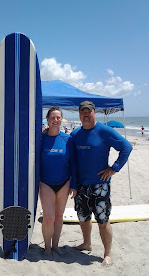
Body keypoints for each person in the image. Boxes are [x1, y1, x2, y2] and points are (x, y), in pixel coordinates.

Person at [70, 101, 132, 266]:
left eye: (88, 111)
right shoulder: (75, 134)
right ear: (79, 114)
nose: (85, 114)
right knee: (83, 217)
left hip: (100, 185)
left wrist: (114, 168)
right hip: (81, 185)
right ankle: (86, 243)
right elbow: (71, 159)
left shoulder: (104, 131)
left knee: (103, 221)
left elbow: (126, 147)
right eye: (82, 111)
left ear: (94, 112)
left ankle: (107, 254)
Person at [40, 106, 77, 255]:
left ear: (61, 120)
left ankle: (55, 245)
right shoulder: (40, 138)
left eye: (58, 117)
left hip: (64, 182)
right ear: (47, 120)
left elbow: (73, 163)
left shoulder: (67, 139)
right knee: (48, 218)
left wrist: (73, 184)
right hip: (45, 182)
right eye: (53, 117)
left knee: (59, 216)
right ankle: (47, 248)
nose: (55, 120)